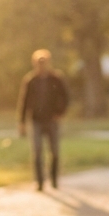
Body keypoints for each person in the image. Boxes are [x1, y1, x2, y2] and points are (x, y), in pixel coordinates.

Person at [18, 49, 69, 190]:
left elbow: (65, 97)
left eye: (43, 62)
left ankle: (54, 180)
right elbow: (24, 102)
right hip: (36, 120)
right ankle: (40, 182)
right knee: (38, 152)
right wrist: (22, 121)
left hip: (52, 119)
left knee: (55, 152)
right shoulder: (30, 81)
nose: (41, 66)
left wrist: (60, 113)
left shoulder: (56, 79)